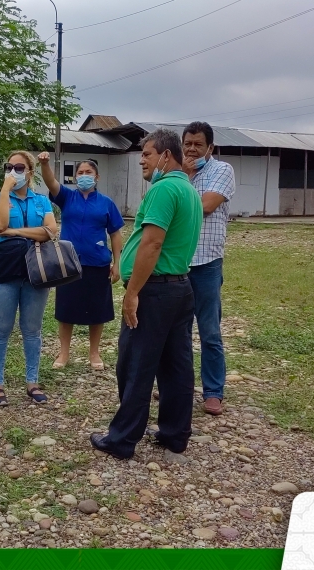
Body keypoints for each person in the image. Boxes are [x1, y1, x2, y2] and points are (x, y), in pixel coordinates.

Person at [89, 128, 202, 459]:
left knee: (136, 364)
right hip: (180, 288)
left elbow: (152, 243)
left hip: (155, 291)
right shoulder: (188, 189)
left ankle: (122, 439)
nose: (141, 160)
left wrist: (132, 292)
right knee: (176, 365)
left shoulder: (164, 190)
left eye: (147, 153)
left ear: (166, 156)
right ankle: (174, 433)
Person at [37, 154, 124, 370]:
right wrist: (45, 164)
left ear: (97, 177)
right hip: (69, 263)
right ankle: (64, 353)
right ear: (75, 177)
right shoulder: (67, 197)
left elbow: (115, 233)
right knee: (66, 310)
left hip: (98, 263)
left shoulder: (106, 203)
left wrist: (117, 262)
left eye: (89, 172)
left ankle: (94, 353)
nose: (84, 176)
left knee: (97, 310)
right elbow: (50, 182)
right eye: (80, 173)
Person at [0, 151, 58, 406]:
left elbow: (51, 231)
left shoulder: (41, 201)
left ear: (30, 172)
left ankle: (32, 381)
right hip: (4, 271)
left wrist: (15, 232)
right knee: (1, 329)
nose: (13, 171)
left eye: (19, 167)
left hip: (36, 271)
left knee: (32, 329)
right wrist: (6, 188)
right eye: (9, 167)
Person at [181, 122, 236, 416]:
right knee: (177, 332)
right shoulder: (175, 172)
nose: (191, 149)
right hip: (177, 263)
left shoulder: (222, 171)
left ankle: (213, 391)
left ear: (210, 148)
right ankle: (179, 387)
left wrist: (186, 178)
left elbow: (203, 207)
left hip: (207, 263)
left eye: (198, 144)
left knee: (210, 331)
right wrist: (184, 175)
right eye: (187, 144)